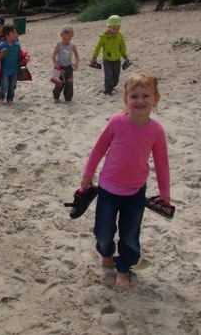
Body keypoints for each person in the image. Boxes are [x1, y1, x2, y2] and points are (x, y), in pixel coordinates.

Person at [79, 73, 170, 290]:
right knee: (103, 232)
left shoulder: (156, 130)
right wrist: (87, 175)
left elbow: (162, 163)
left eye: (146, 96)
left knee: (130, 234)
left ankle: (123, 268)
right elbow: (98, 149)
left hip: (135, 192)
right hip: (108, 189)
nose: (140, 101)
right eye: (134, 96)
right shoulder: (117, 122)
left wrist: (165, 192)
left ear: (156, 99)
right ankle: (106, 253)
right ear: (125, 99)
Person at [91, 15, 131, 95]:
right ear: (109, 27)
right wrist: (94, 57)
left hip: (117, 59)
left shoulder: (120, 36)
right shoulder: (104, 37)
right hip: (107, 60)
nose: (116, 30)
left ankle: (112, 85)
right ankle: (107, 91)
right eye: (114, 28)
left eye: (118, 28)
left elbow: (122, 47)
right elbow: (98, 47)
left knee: (116, 77)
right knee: (108, 76)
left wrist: (125, 57)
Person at [0, 24, 26, 105]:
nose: (16, 34)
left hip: (15, 69)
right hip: (5, 69)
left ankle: (10, 99)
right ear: (7, 35)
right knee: (5, 85)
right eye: (13, 33)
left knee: (12, 86)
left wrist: (25, 57)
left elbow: (21, 53)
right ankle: (1, 98)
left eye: (16, 32)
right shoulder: (2, 45)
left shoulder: (17, 45)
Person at [51, 25, 80, 103]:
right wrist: (57, 65)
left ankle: (68, 98)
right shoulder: (59, 45)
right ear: (61, 36)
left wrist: (76, 63)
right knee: (60, 83)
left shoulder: (72, 45)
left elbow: (77, 55)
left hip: (69, 67)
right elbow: (53, 56)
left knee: (69, 83)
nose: (66, 40)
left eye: (68, 39)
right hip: (60, 68)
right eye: (64, 38)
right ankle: (56, 97)